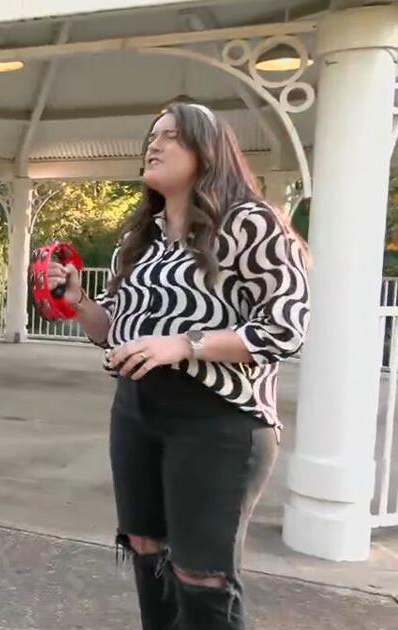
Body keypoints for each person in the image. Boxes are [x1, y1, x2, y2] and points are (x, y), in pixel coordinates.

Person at [46, 101, 311, 629]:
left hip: (219, 419)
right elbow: (115, 331)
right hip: (138, 409)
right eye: (152, 135)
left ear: (208, 152)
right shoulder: (139, 239)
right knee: (147, 549)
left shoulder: (250, 223)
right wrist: (78, 303)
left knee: (202, 574)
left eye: (172, 136)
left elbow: (284, 326)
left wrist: (186, 343)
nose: (155, 144)